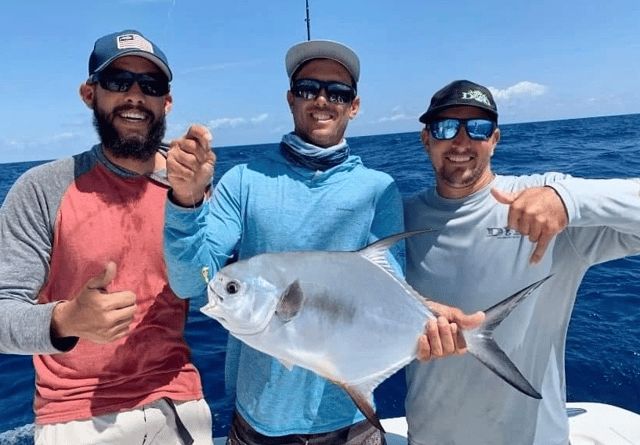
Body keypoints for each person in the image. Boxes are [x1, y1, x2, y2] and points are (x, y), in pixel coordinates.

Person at [163, 41, 480, 445]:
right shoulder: (242, 181)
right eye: (309, 88)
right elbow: (193, 282)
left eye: (338, 92)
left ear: (355, 105)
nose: (322, 100)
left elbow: (385, 287)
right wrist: (185, 202)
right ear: (291, 98)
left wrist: (427, 323)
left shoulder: (378, 190)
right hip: (257, 423)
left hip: (351, 422)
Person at [0, 30, 213, 444]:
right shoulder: (41, 188)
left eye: (150, 86)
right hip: (74, 413)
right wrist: (65, 320)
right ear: (89, 93)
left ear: (165, 102)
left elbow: (208, 292)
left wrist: (189, 200)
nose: (135, 96)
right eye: (118, 82)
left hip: (178, 401)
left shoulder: (192, 184)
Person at [403, 79, 640, 445]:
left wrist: (569, 198)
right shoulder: (400, 218)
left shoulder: (547, 204)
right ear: (426, 139)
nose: (461, 141)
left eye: (478, 128)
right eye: (446, 127)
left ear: (494, 139)